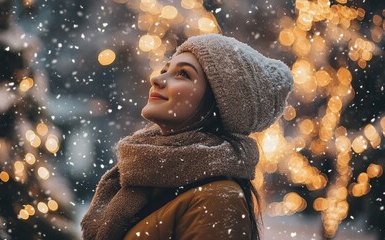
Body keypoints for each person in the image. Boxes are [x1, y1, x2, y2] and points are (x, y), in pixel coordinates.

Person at [81, 33, 293, 240]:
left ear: (219, 103)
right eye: (165, 69)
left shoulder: (218, 199)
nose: (157, 78)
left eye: (183, 74)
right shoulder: (148, 176)